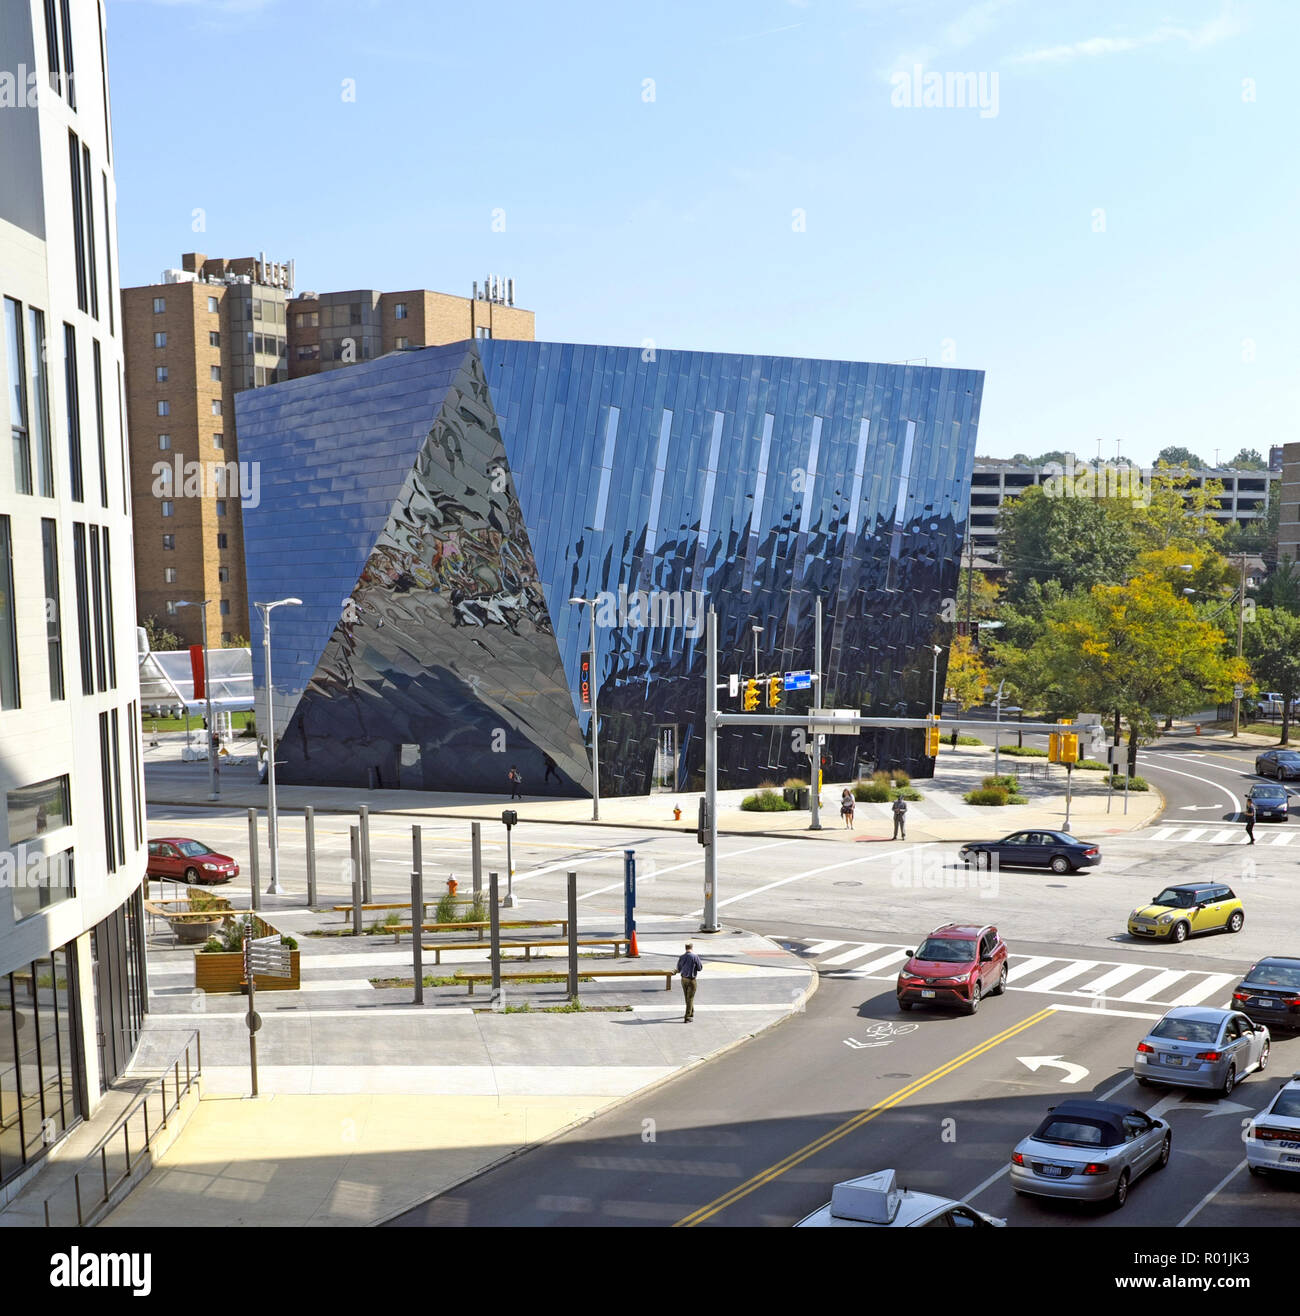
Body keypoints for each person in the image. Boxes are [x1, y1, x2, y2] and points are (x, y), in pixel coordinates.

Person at [676, 942, 703, 1022]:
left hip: (683, 979)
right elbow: (700, 968)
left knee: (687, 997)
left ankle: (691, 1012)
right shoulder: (695, 956)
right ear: (692, 948)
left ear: (685, 948)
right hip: (691, 980)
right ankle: (687, 1017)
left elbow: (679, 968)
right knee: (690, 998)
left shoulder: (681, 957)